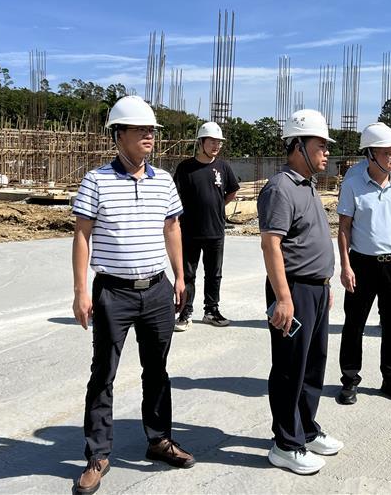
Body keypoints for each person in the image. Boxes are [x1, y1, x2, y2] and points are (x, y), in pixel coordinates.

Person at [71, 96, 195, 495]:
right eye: (140, 129)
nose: (149, 136)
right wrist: (80, 291)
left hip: (156, 289)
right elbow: (82, 235)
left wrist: (180, 276)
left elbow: (172, 228)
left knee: (157, 369)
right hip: (113, 292)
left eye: (151, 130)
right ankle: (98, 454)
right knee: (103, 373)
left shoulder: (164, 180)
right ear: (118, 134)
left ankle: (159, 439)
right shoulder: (96, 181)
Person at [257, 109, 343, 475]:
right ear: (297, 146)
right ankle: (285, 444)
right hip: (293, 289)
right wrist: (284, 297)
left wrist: (325, 283)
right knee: (290, 368)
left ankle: (305, 429)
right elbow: (271, 245)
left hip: (315, 290)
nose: (326, 152)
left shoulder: (307, 186)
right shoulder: (280, 188)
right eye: (320, 145)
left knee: (312, 365)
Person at [336, 122, 391, 406]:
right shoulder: (353, 185)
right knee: (354, 324)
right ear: (370, 154)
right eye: (387, 152)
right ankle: (349, 380)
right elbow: (344, 228)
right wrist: (345, 266)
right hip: (362, 265)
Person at [173, 121, 240, 331]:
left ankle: (211, 310)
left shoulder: (223, 167)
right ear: (201, 142)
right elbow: (175, 196)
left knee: (214, 274)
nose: (216, 145)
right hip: (190, 231)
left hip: (215, 231)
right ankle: (185, 312)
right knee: (188, 274)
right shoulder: (185, 168)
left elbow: (232, 191)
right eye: (212, 141)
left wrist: (217, 206)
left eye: (219, 142)